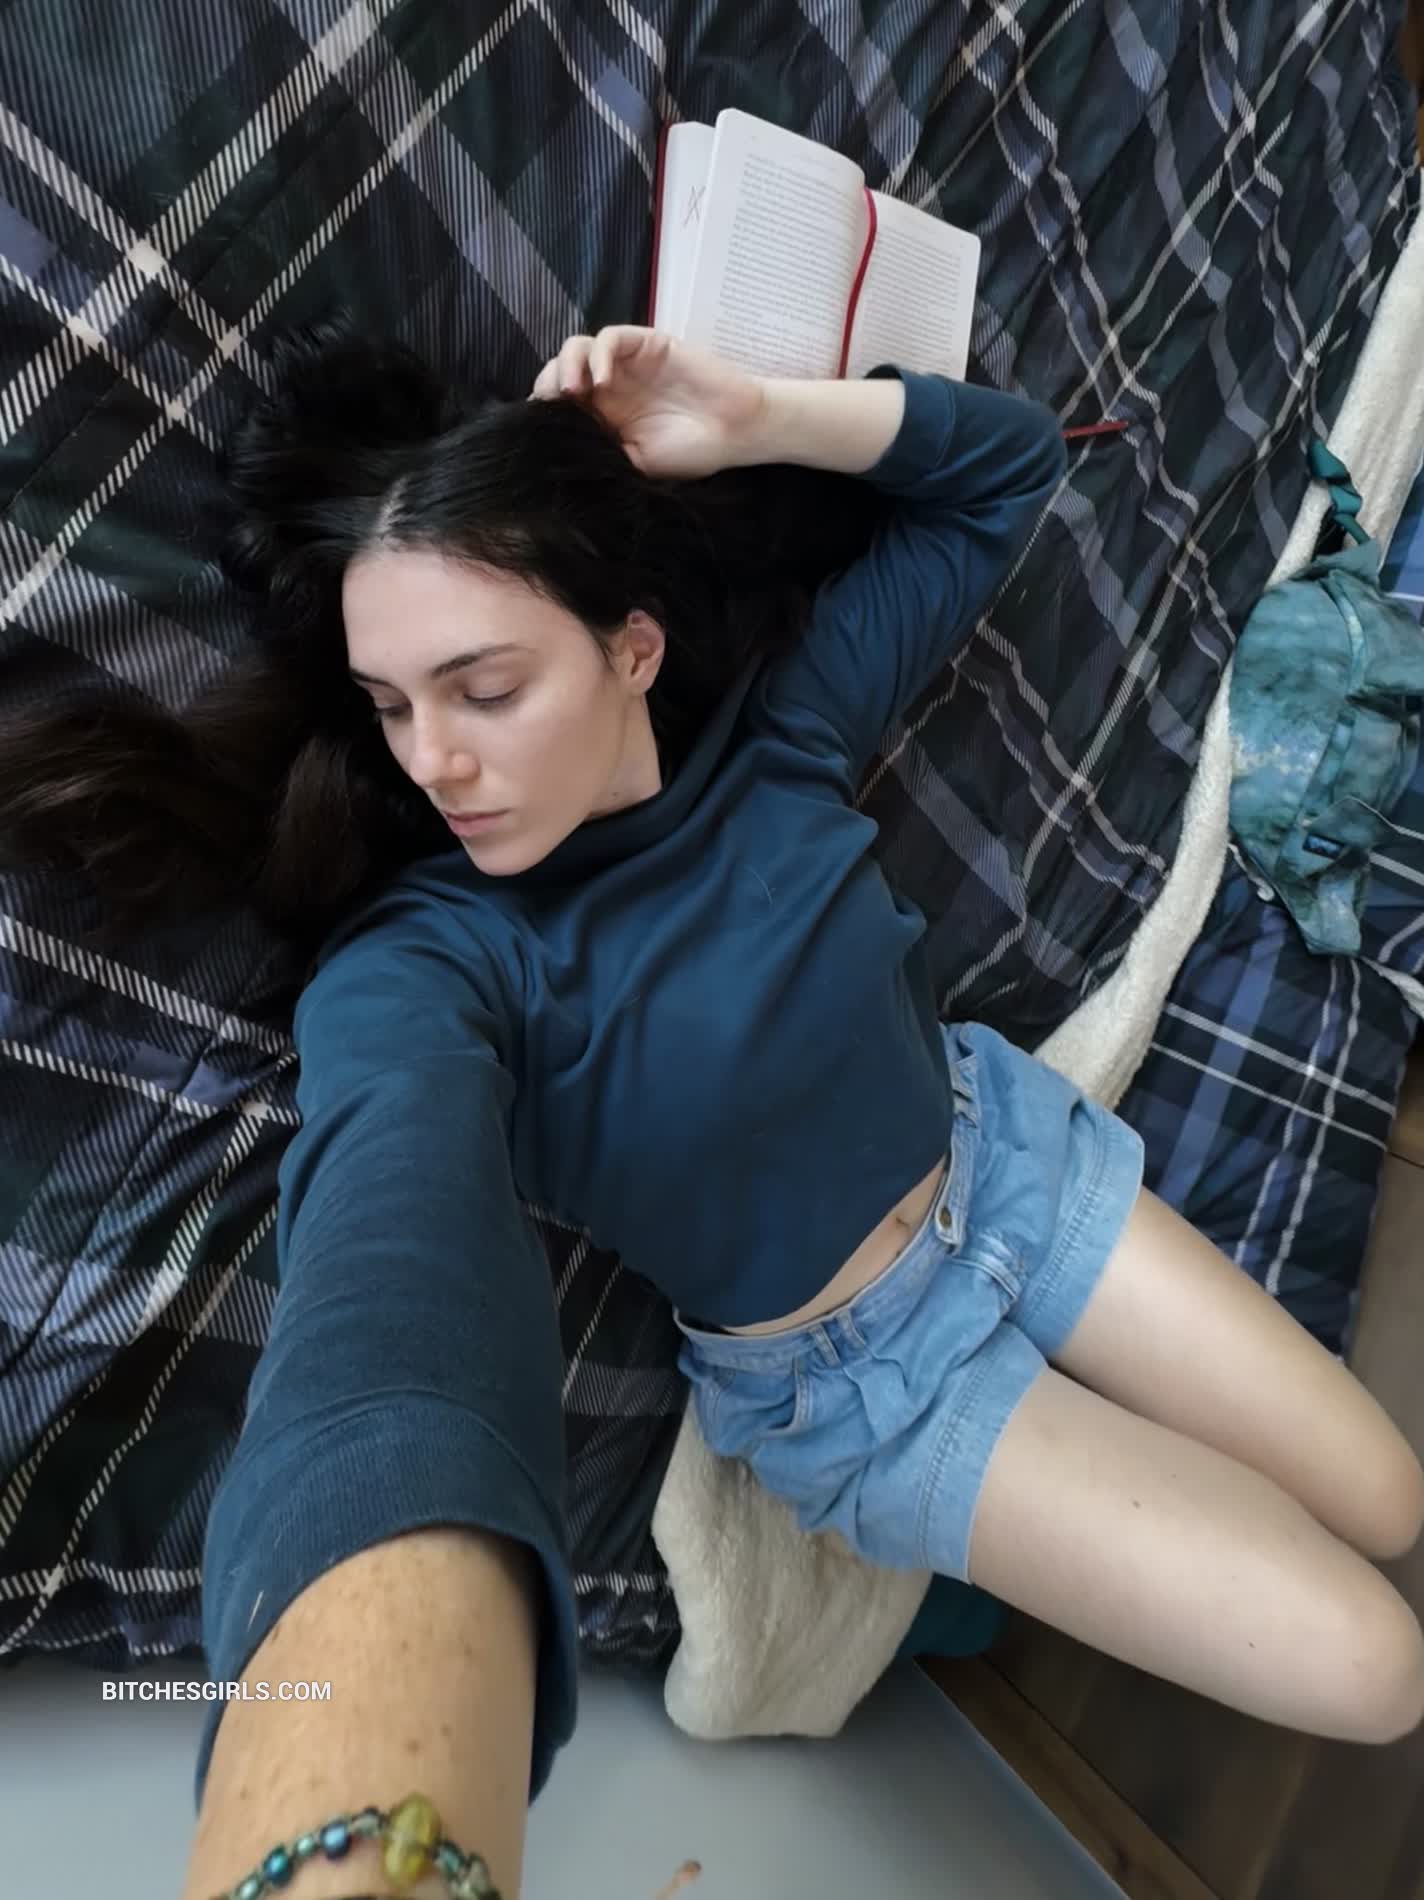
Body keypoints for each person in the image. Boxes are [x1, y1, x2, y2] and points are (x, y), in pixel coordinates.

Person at [4, 325, 1421, 1900]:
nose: (436, 761)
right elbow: (381, 1270)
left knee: (1390, 1491)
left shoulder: (780, 743)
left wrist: (748, 415)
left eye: (485, 687)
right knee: (1376, 1671)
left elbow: (1008, 472)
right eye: (390, 706)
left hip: (1008, 1164)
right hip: (872, 1385)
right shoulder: (426, 965)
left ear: (633, 648)